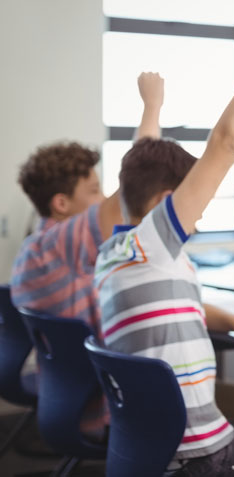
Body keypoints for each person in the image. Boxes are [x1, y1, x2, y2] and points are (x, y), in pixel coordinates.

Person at [94, 0, 234, 476]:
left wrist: (152, 108)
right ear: (162, 205)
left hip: (151, 452)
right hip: (202, 459)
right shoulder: (156, 241)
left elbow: (139, 171)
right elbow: (228, 142)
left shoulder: (115, 250)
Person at [11, 71, 165, 437]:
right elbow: (132, 192)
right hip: (105, 413)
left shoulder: (42, 250)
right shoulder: (53, 247)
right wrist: (152, 107)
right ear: (61, 204)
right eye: (95, 190)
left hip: (70, 401)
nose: (103, 200)